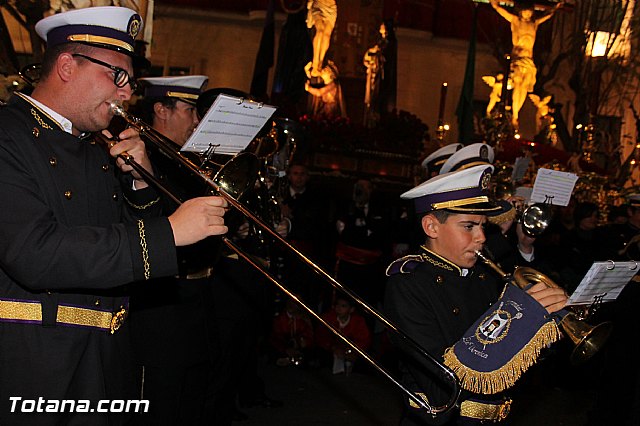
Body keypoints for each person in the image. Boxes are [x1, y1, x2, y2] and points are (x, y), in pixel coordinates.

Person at [0, 6, 229, 426]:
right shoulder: (7, 135)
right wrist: (169, 233)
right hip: (36, 364)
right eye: (117, 76)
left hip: (106, 357)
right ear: (67, 66)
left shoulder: (94, 145)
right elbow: (34, 252)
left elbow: (125, 239)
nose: (126, 93)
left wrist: (141, 184)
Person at [383, 165, 568, 425]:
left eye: (482, 226)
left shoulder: (482, 272)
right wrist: (521, 322)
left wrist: (540, 330)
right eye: (468, 226)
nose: (481, 237)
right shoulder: (408, 283)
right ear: (431, 227)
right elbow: (443, 383)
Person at [126, 75, 222, 425]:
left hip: (199, 302)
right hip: (162, 310)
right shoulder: (137, 159)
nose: (197, 120)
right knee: (159, 409)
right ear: (160, 110)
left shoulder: (190, 162)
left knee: (191, 407)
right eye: (190, 109)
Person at [489, 0, 562, 128]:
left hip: (529, 60)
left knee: (523, 88)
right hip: (518, 58)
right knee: (517, 84)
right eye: (525, 12)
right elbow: (501, 11)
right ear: (521, 12)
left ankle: (516, 114)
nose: (527, 14)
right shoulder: (516, 21)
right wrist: (495, 5)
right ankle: (514, 113)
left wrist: (554, 8)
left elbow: (546, 16)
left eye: (530, 12)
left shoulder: (534, 23)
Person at [315, 292, 371, 374]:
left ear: (351, 309)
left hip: (350, 351)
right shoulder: (328, 317)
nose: (339, 308)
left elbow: (364, 340)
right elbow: (321, 336)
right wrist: (333, 347)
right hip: (332, 350)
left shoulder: (358, 321)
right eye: (337, 305)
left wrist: (352, 351)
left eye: (343, 306)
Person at [305, 0, 337, 79]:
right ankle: (315, 64)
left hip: (331, 7)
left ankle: (320, 64)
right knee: (320, 31)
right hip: (319, 4)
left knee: (326, 35)